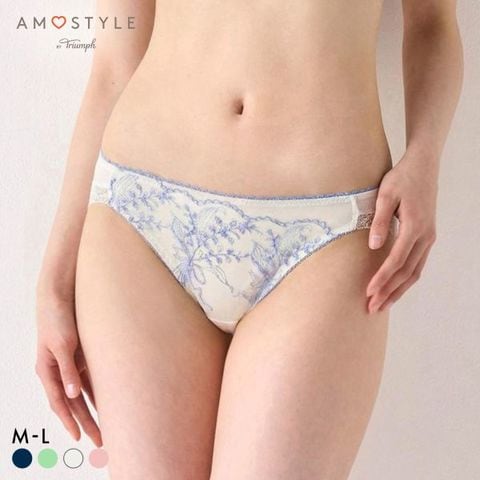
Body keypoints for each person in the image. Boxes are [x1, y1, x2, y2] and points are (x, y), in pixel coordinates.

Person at [35, 1, 464, 478]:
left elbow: (432, 25)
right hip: (139, 219)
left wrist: (425, 157)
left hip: (325, 235)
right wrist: (53, 283)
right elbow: (114, 65)